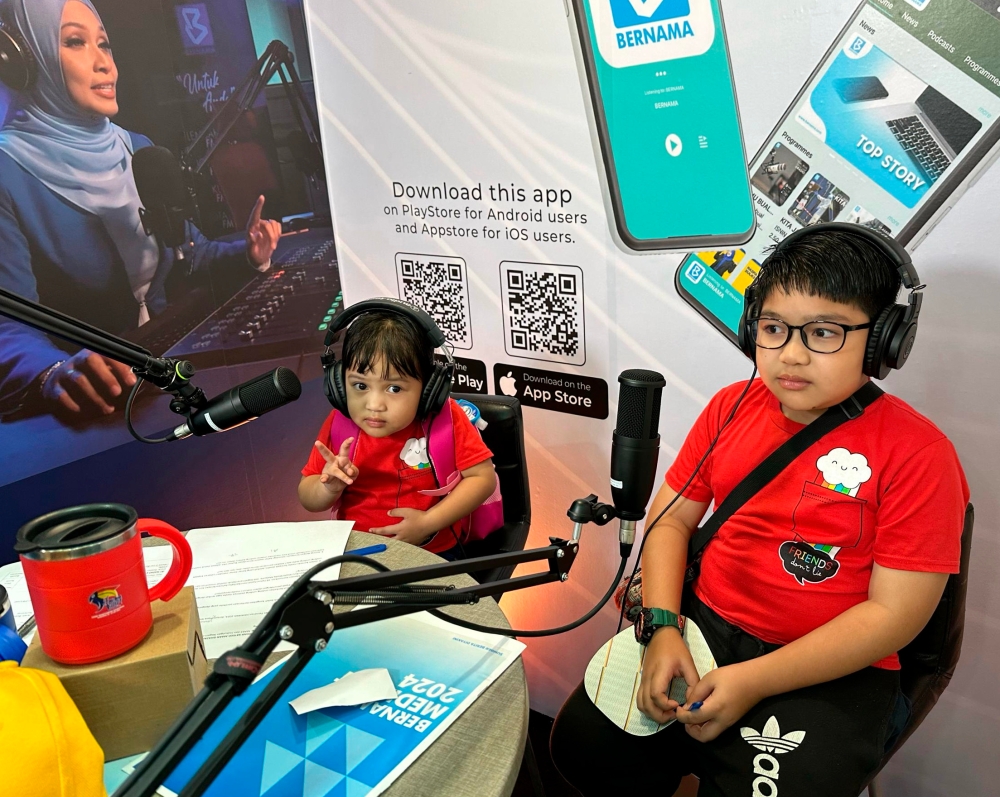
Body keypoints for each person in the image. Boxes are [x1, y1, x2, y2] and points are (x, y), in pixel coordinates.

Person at [550, 228, 969, 797]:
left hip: (831, 667)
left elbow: (894, 616)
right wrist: (664, 628)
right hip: (702, 626)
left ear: (883, 342)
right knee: (584, 752)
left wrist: (752, 681)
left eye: (824, 332)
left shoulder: (920, 454)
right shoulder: (730, 407)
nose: (790, 354)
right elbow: (672, 522)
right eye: (773, 329)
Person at [0, 0, 281, 419]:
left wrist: (249, 253)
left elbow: (189, 252)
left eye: (105, 45)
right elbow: (9, 324)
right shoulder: (6, 173)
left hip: (167, 371)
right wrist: (52, 372)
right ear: (24, 61)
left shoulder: (136, 148)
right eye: (76, 42)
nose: (105, 65)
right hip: (99, 406)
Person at [298, 309, 498, 556]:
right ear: (338, 384)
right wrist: (327, 487)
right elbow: (308, 498)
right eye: (360, 385)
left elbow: (482, 479)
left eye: (394, 388)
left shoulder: (446, 419)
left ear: (428, 389)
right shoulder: (340, 423)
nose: (374, 405)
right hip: (356, 553)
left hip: (432, 551)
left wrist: (428, 522)